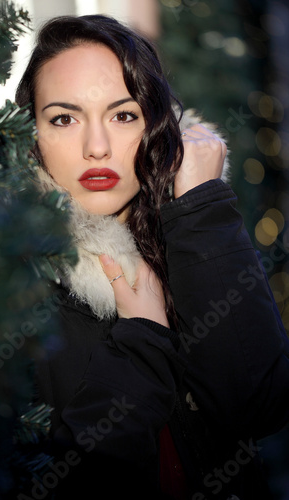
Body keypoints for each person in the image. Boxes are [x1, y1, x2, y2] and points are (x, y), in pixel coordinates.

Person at [15, 14, 289, 500]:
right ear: (29, 136)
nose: (96, 147)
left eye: (124, 115)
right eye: (64, 118)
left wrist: (201, 207)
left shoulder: (191, 235)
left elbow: (259, 405)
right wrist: (141, 345)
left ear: (160, 128)